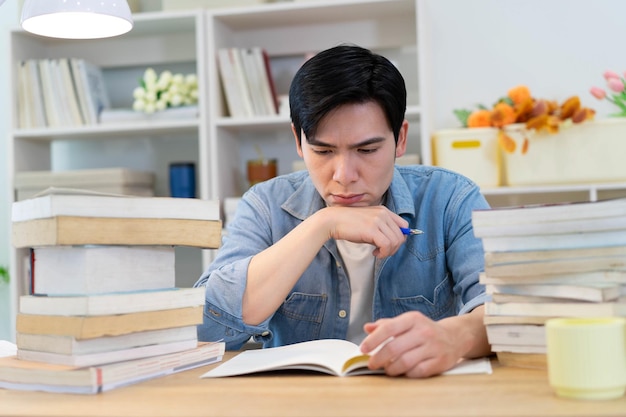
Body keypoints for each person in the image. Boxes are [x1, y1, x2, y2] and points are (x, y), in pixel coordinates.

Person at [195, 44, 492, 378]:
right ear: (298, 140)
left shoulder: (451, 198)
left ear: (401, 138)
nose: (344, 175)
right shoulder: (265, 205)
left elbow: (507, 311)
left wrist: (454, 337)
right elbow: (205, 330)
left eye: (366, 149)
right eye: (322, 150)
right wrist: (323, 223)